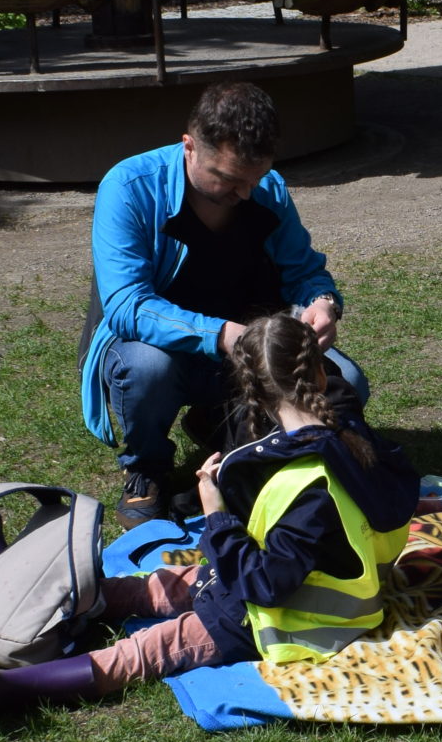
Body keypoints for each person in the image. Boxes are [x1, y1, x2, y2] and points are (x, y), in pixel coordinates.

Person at [0, 314, 421, 719]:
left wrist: (216, 514)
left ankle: (11, 688)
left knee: (148, 648)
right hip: (293, 584)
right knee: (155, 587)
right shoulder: (351, 438)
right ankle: (34, 591)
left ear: (252, 392)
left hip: (288, 620)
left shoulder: (307, 485)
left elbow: (265, 584)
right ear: (321, 374)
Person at [80, 81, 361, 523]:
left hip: (245, 345)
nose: (244, 195)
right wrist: (221, 334)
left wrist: (323, 301)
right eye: (228, 179)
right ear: (189, 147)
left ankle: (224, 423)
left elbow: (304, 271)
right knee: (147, 370)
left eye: (254, 179)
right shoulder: (129, 187)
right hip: (164, 349)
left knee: (350, 381)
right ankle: (147, 468)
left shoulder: (268, 189)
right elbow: (127, 305)